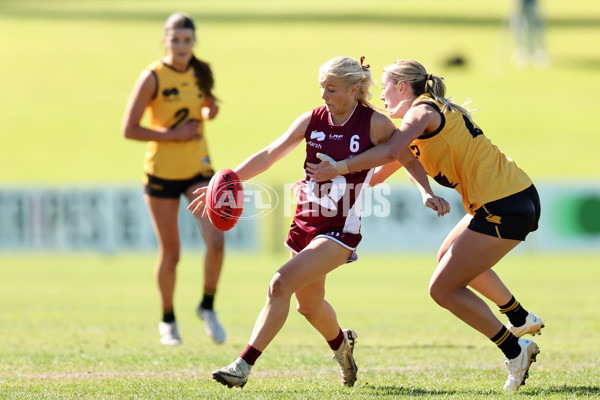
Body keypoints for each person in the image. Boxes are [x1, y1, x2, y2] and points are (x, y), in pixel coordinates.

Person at [188, 56, 449, 388]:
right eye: (322, 88)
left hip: (339, 232)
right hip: (304, 224)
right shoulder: (312, 120)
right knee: (308, 306)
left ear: (356, 89)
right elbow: (270, 154)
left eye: (332, 89)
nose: (324, 96)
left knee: (280, 283)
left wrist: (425, 192)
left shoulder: (375, 124)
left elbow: (405, 156)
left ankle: (243, 366)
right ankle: (343, 347)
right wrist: (225, 181)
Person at [306, 59, 544, 391]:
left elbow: (389, 150)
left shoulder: (422, 112)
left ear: (402, 87)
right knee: (449, 257)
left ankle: (514, 349)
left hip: (505, 206)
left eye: (385, 88)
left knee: (442, 288)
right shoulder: (414, 125)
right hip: (513, 197)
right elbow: (378, 172)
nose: (381, 96)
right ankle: (519, 318)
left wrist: (341, 166)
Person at [121, 12, 226, 346]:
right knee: (172, 253)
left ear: (194, 41)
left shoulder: (201, 71)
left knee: (217, 240)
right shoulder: (152, 77)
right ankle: (167, 318)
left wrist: (210, 111)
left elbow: (207, 107)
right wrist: (174, 135)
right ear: (165, 40)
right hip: (162, 173)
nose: (182, 46)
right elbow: (130, 129)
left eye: (187, 40)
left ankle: (207, 306)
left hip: (198, 169)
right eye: (176, 40)